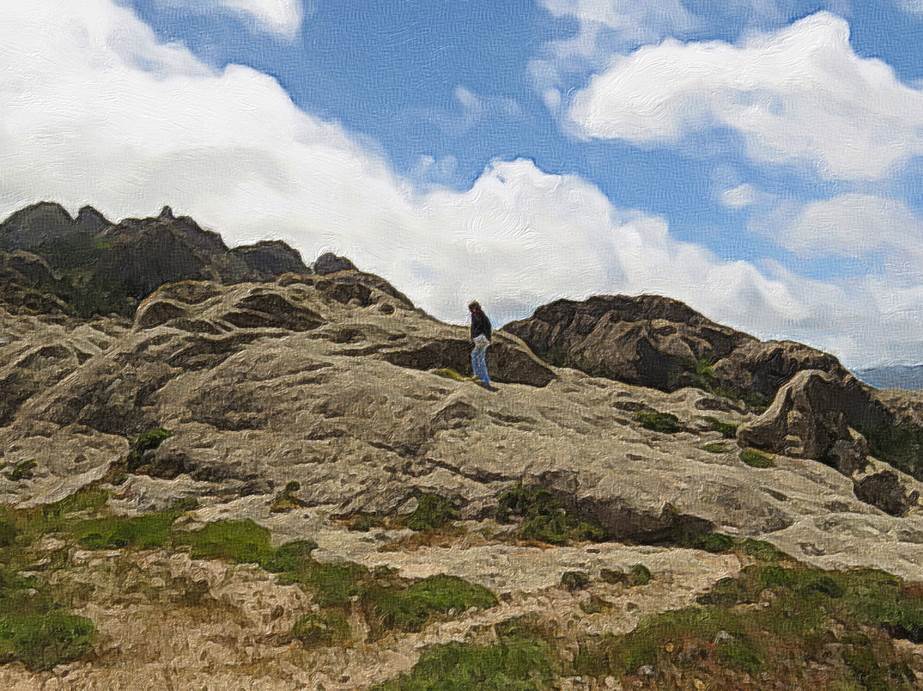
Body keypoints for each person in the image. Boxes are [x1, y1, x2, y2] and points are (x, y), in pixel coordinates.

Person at [468, 301, 493, 389]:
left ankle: (479, 376)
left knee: (476, 356)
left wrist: (474, 336)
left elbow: (474, 326)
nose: (471, 311)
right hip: (483, 338)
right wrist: (488, 338)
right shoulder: (481, 314)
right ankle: (485, 379)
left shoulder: (477, 314)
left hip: (481, 338)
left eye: (471, 309)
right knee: (480, 358)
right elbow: (488, 326)